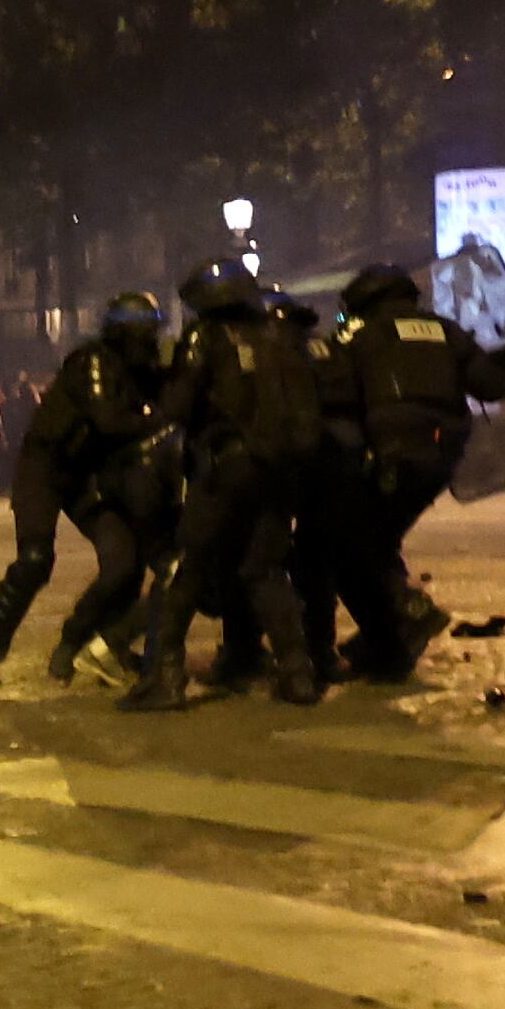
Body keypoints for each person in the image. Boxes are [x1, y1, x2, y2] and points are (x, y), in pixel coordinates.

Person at [121, 263, 329, 710]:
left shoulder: (207, 337)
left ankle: (164, 676)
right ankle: (297, 673)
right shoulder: (284, 338)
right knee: (266, 570)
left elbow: (179, 404)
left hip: (226, 467)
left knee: (185, 565)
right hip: (280, 471)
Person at [308, 266, 505, 680]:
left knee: (348, 546)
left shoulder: (357, 333)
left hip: (387, 455)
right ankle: (388, 646)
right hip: (441, 456)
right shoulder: (446, 330)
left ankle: (406, 612)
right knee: (375, 541)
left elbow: (332, 391)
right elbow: (492, 386)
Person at [0, 289, 167, 679]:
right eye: (144, 334)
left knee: (124, 564)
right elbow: (108, 421)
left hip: (87, 475)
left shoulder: (142, 372)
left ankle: (78, 641)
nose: (149, 343)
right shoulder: (93, 362)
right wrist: (162, 420)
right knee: (34, 560)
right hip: (44, 468)